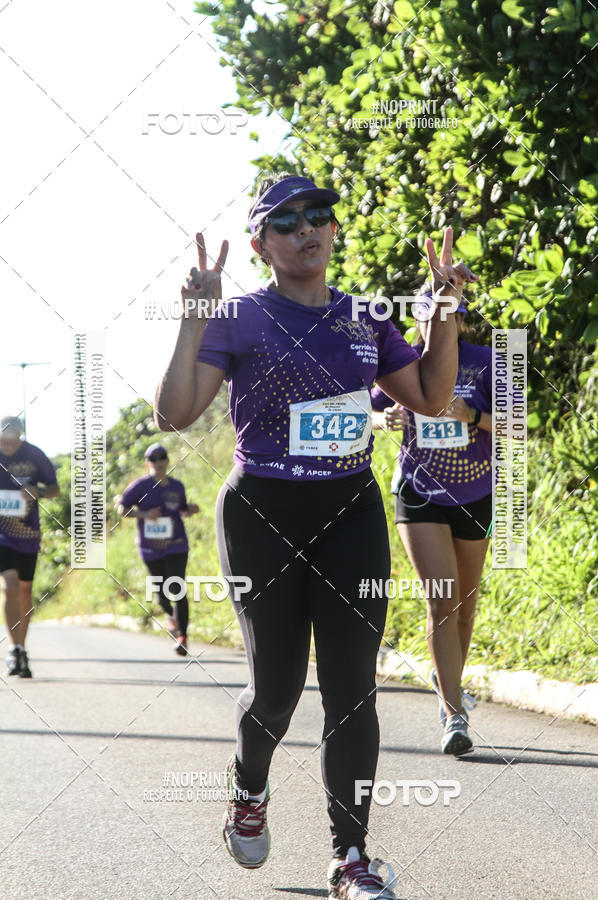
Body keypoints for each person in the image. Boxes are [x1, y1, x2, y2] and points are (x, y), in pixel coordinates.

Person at [154, 172, 477, 899]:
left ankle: (350, 857)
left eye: (319, 214)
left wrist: (443, 314)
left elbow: (430, 397)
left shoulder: (364, 317)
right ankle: (249, 785)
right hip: (263, 512)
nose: (307, 227)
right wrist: (193, 319)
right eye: (286, 220)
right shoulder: (238, 317)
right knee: (275, 691)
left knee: (352, 688)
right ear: (262, 244)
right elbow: (173, 415)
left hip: (349, 510)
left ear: (333, 229)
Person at [372, 288, 492, 756]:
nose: (435, 324)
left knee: (464, 609)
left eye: (445, 316)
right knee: (442, 600)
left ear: (460, 320)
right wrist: (384, 419)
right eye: (426, 316)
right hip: (419, 493)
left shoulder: (488, 361)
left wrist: (472, 414)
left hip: (475, 493)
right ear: (416, 321)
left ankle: (449, 690)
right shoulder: (401, 360)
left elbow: (519, 426)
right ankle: (454, 714)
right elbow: (364, 406)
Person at [117, 443, 199, 656]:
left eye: (162, 458)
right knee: (162, 595)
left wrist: (190, 509)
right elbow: (122, 509)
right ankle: (171, 617)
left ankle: (182, 637)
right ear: (148, 464)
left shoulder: (177, 486)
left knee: (177, 587)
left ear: (168, 462)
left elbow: (182, 509)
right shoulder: (139, 486)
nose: (158, 462)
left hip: (176, 544)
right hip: (150, 548)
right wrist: (144, 515)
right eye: (153, 459)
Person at [1, 415, 60, 678]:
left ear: (20, 437)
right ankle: (13, 648)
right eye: (3, 440)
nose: (7, 445)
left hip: (28, 534)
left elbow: (55, 489)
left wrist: (38, 492)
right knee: (9, 586)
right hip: (1, 535)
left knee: (25, 591)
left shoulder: (35, 455)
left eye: (12, 441)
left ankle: (22, 649)